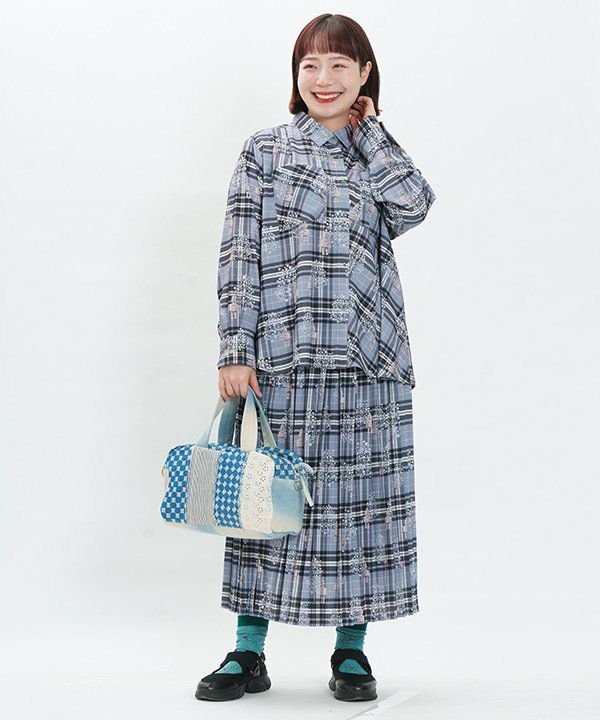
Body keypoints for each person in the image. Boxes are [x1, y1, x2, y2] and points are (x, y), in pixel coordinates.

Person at [196, 13, 436, 703]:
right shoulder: (265, 151)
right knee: (261, 507)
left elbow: (415, 205)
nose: (323, 79)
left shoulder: (375, 152)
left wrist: (370, 131)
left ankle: (351, 651)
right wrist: (235, 347)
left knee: (359, 511)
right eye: (311, 65)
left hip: (369, 361)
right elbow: (238, 253)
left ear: (364, 75)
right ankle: (247, 652)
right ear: (296, 75)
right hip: (283, 358)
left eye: (339, 66)